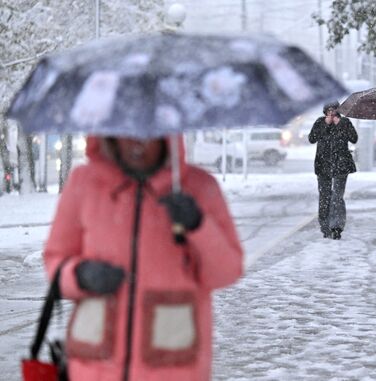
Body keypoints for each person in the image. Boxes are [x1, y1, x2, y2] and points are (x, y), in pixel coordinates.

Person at [43, 135, 243, 380]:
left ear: (166, 136)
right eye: (126, 134)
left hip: (172, 367)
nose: (137, 143)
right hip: (94, 366)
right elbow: (55, 259)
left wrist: (198, 225)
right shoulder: (84, 183)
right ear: (110, 136)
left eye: (147, 135)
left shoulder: (199, 187)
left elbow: (228, 271)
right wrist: (80, 275)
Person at [309, 101, 358, 240]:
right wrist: (325, 124)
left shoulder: (345, 122)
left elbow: (354, 138)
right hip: (323, 165)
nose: (331, 112)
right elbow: (312, 138)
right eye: (329, 110)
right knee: (325, 197)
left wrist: (340, 125)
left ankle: (336, 227)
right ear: (325, 111)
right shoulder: (320, 122)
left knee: (337, 196)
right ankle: (325, 227)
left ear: (338, 110)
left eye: (334, 110)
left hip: (341, 165)